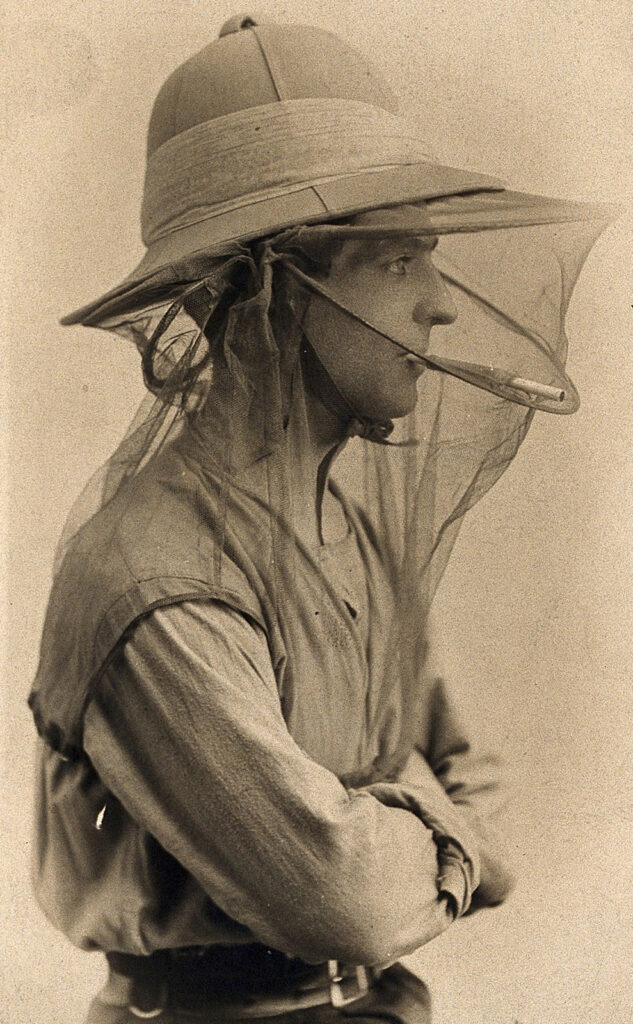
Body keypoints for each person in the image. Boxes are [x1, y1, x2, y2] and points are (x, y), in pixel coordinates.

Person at [28, 14, 615, 1024]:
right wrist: (445, 843)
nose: (440, 304)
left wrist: (410, 838)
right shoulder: (150, 577)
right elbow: (334, 895)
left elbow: (487, 775)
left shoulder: (349, 519)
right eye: (397, 261)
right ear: (271, 290)